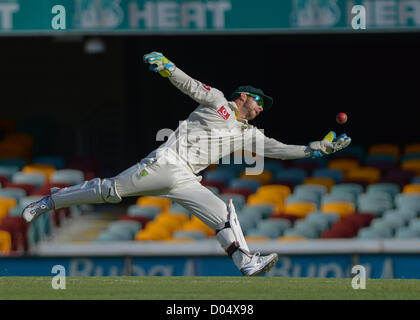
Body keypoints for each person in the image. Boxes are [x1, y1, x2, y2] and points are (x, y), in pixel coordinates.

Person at [22, 52, 351, 277]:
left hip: (187, 180)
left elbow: (280, 150)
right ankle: (49, 201)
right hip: (168, 163)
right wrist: (167, 67)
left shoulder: (248, 134)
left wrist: (317, 149)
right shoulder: (219, 101)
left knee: (223, 215)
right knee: (110, 191)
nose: (262, 108)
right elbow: (191, 85)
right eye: (259, 101)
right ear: (244, 97)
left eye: (263, 105)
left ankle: (246, 263)